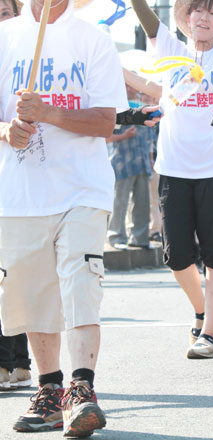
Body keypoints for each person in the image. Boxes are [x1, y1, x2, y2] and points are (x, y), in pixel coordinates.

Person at [0, 0, 127, 435]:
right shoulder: (5, 36)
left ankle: (82, 388)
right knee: (34, 296)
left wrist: (48, 112)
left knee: (80, 281)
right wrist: (7, 130)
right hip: (20, 194)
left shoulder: (94, 40)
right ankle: (49, 390)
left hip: (83, 188)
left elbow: (107, 121)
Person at [130, 0, 213, 358]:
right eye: (197, 11)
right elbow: (145, 18)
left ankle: (208, 335)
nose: (204, 17)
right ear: (187, 20)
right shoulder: (172, 50)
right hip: (175, 169)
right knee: (176, 256)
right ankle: (206, 310)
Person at [0, 0, 32, 395]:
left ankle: (17, 361)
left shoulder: (33, 56)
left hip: (25, 181)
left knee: (15, 272)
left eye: (7, 11)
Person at [106, 86, 157, 250]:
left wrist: (150, 161)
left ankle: (140, 238)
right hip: (122, 163)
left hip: (142, 162)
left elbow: (150, 139)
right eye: (128, 86)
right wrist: (123, 136)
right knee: (119, 201)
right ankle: (116, 236)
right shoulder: (116, 108)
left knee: (142, 202)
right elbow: (104, 136)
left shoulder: (142, 109)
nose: (132, 89)